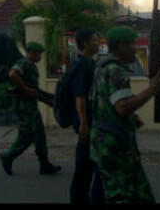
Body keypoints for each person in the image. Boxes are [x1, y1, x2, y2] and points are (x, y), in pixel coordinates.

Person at [89, 26, 160, 203]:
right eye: (132, 44)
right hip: (114, 144)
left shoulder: (101, 67)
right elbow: (122, 107)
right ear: (121, 46)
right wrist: (152, 90)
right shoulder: (115, 70)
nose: (135, 48)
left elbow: (106, 102)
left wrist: (131, 117)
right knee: (122, 196)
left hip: (104, 140)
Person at [0, 42, 61, 176]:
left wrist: (50, 99)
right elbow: (12, 75)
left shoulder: (31, 66)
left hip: (29, 105)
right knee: (32, 133)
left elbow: (35, 90)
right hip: (24, 106)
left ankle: (43, 164)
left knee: (34, 134)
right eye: (38, 53)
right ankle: (9, 156)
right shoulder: (24, 63)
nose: (40, 56)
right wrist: (26, 89)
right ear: (31, 52)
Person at [69, 28, 104, 204]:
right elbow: (80, 95)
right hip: (87, 123)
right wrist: (83, 122)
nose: (98, 43)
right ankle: (79, 199)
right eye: (95, 40)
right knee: (84, 165)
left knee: (88, 163)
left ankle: (83, 198)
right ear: (85, 43)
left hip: (91, 122)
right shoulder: (82, 65)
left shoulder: (89, 63)